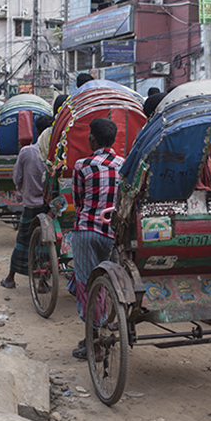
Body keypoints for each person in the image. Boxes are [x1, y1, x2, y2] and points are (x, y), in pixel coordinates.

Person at [70, 118, 123, 359]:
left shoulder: (83, 165)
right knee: (101, 282)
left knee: (85, 284)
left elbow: (78, 200)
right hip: (112, 233)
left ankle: (95, 343)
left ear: (92, 138)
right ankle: (95, 332)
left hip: (87, 231)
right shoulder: (124, 165)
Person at [0, 114, 55, 289]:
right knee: (46, 243)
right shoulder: (56, 153)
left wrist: (22, 188)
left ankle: (10, 278)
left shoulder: (27, 151)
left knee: (23, 242)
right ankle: (43, 281)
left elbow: (17, 177)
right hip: (49, 206)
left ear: (37, 131)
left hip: (31, 205)